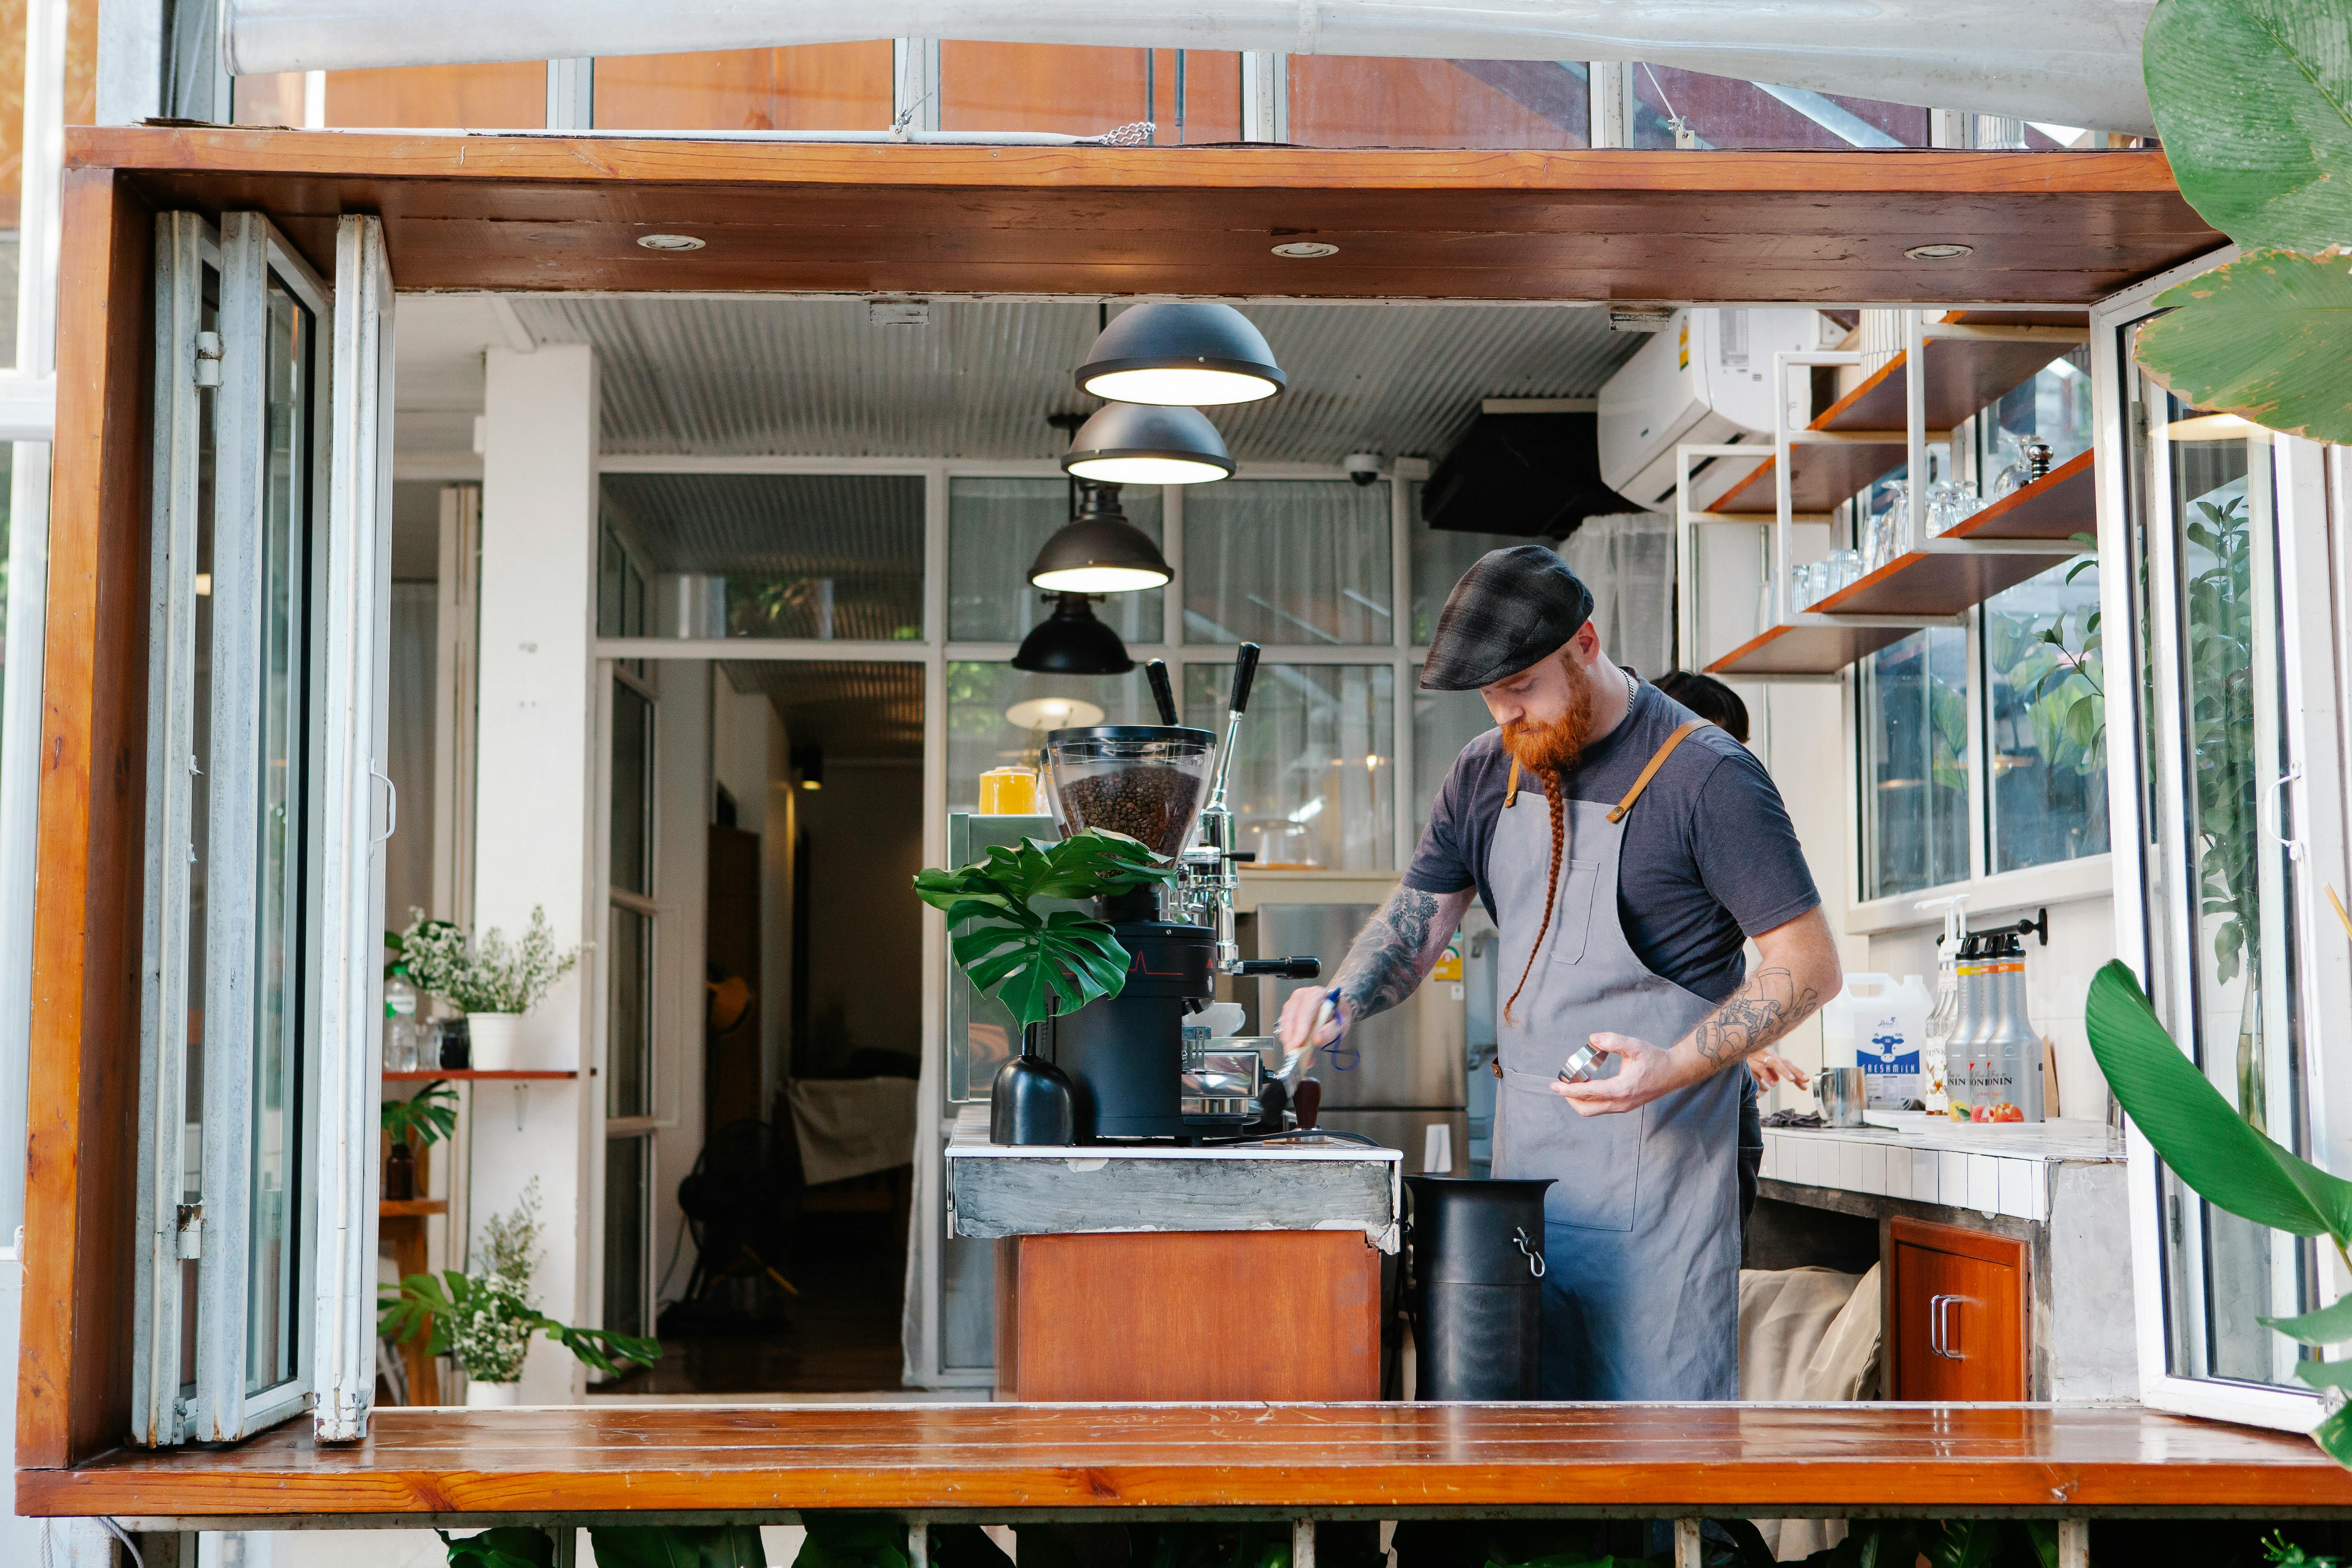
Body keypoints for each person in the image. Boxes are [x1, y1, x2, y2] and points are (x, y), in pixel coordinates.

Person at [1277, 546, 1840, 1401]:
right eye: (1490, 695)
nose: (1506, 712)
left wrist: (1673, 1065)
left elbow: (1808, 966)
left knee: (1660, 1446)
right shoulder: (1483, 769)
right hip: (1526, 1178)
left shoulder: (1707, 776)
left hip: (1664, 1172)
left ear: (1586, 643)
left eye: (1523, 686)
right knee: (1530, 1437)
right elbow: (1416, 924)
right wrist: (1342, 997)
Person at [1651, 667, 1810, 1225]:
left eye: (1734, 745)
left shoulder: (1729, 818)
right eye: (1712, 739)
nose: (1725, 760)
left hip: (1709, 1107)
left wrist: (1742, 1048)